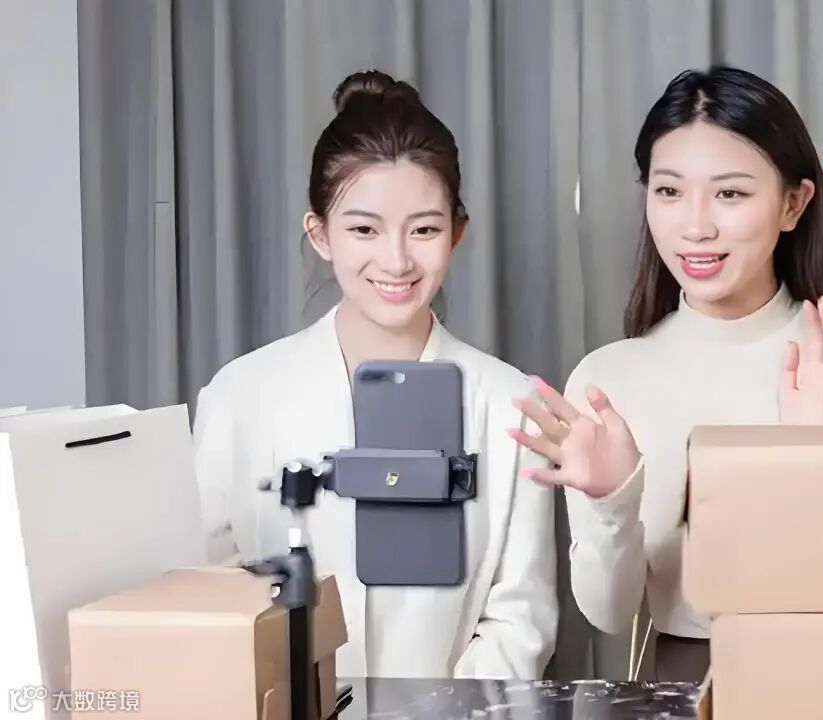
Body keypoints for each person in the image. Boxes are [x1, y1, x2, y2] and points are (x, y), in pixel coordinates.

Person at [509, 65, 823, 682]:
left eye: (730, 194)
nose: (695, 226)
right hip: (679, 687)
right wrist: (611, 501)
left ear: (793, 204)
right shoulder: (608, 381)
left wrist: (822, 457)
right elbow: (609, 613)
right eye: (669, 191)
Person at [193, 70, 557, 679]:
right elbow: (210, 593)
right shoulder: (239, 395)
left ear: (457, 233)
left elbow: (519, 622)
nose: (396, 260)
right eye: (364, 229)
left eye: (424, 229)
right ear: (320, 235)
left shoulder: (511, 404)